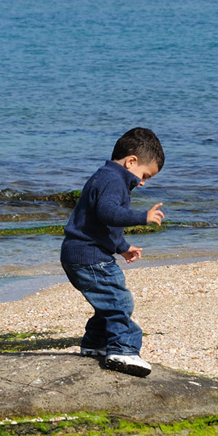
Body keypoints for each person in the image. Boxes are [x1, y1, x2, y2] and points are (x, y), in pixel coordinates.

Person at [60, 127, 165, 377]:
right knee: (119, 301)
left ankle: (95, 343)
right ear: (131, 161)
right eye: (144, 175)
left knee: (107, 302)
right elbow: (108, 213)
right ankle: (123, 350)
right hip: (90, 257)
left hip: (79, 253)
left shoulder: (105, 176)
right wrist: (142, 216)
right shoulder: (113, 180)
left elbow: (99, 224)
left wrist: (124, 247)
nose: (142, 182)